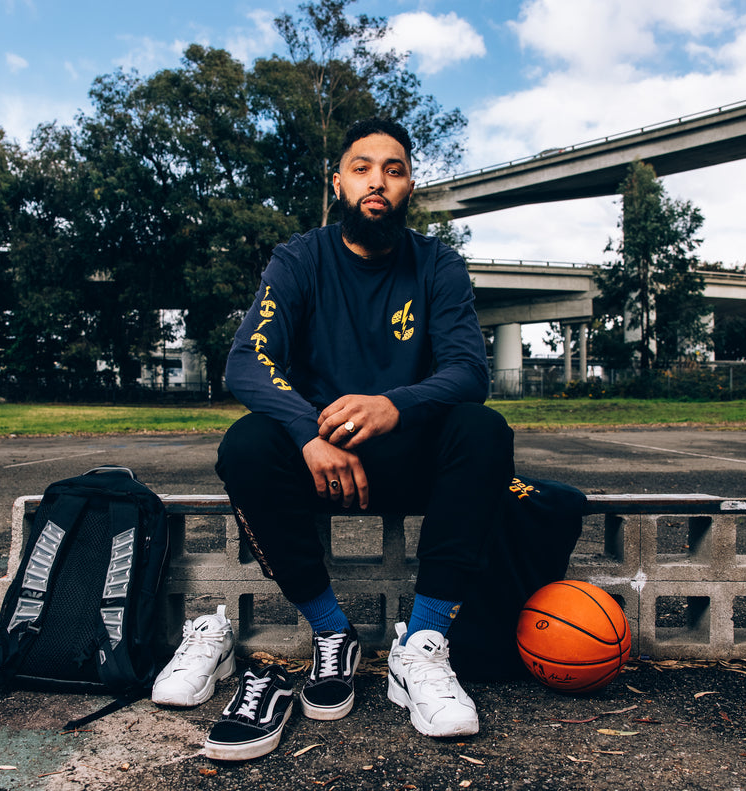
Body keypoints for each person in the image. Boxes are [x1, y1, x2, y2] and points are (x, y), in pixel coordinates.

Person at [186, 118, 512, 759]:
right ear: (338, 183)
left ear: (410, 186)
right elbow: (247, 363)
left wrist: (395, 404)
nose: (378, 182)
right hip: (320, 462)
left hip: (409, 454)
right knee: (245, 446)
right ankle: (333, 632)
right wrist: (309, 432)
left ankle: (420, 647)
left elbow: (469, 370)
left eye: (394, 170)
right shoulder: (301, 258)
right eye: (362, 168)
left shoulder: (437, 264)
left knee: (483, 430)